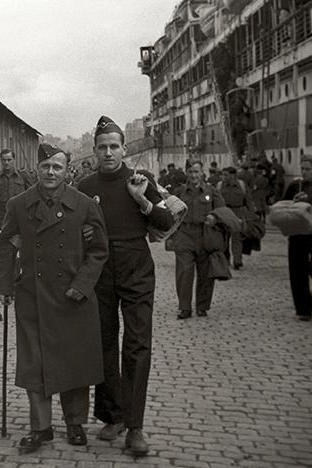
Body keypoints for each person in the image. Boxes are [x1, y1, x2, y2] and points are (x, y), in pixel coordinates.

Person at [0, 143, 109, 453]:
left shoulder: (84, 205)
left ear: (67, 170)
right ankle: (41, 428)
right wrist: (4, 287)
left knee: (74, 364)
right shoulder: (19, 204)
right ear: (37, 168)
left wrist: (82, 285)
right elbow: (5, 245)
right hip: (33, 296)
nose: (50, 171)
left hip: (74, 298)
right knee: (34, 365)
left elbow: (100, 250)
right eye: (45, 165)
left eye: (57, 166)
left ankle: (75, 424)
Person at [78, 116, 174, 456]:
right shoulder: (85, 187)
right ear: (94, 151)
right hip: (100, 270)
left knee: (136, 344)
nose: (108, 152)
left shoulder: (140, 179)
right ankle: (112, 415)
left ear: (124, 148)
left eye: (114, 146)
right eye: (102, 147)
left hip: (136, 268)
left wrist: (142, 199)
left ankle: (135, 426)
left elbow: (165, 221)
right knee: (104, 342)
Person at [172, 161, 225, 319]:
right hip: (185, 236)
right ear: (186, 173)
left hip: (205, 236)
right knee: (184, 272)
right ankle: (184, 307)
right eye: (190, 172)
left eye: (196, 172)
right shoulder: (180, 191)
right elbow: (170, 212)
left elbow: (222, 210)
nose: (193, 175)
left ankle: (202, 306)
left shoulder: (212, 191)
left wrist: (214, 217)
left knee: (205, 274)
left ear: (202, 173)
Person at [281, 154, 312, 321]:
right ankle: (303, 309)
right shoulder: (294, 186)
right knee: (297, 271)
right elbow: (282, 206)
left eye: (308, 169)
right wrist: (293, 202)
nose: (305, 172)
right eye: (303, 169)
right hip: (297, 234)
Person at [217, 167, 255, 269]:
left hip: (238, 213)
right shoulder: (219, 186)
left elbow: (248, 201)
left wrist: (252, 216)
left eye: (226, 175)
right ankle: (225, 259)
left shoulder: (241, 185)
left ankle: (237, 260)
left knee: (237, 238)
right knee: (224, 239)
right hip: (224, 214)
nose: (223, 177)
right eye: (223, 175)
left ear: (233, 175)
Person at [0, 148, 31, 228]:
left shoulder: (23, 177)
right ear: (1, 161)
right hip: (2, 219)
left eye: (9, 160)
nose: (6, 163)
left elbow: (32, 195)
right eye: (4, 160)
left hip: (21, 217)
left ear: (14, 160)